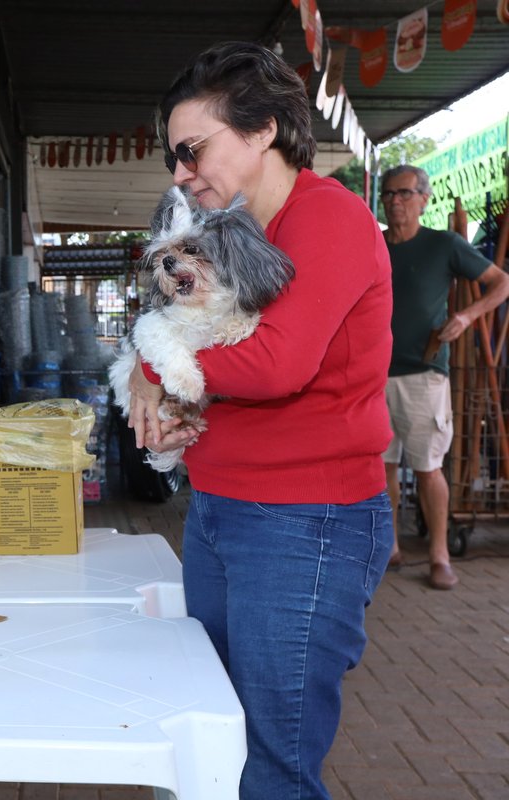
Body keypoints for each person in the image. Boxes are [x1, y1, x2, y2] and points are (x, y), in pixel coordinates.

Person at [124, 43, 393, 799]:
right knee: (222, 736)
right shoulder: (230, 228)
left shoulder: (329, 218)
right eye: (175, 156)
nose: (180, 171)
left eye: (192, 149)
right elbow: (199, 347)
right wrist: (167, 398)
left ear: (263, 129)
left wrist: (157, 370)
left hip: (307, 520)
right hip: (220, 509)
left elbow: (278, 364)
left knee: (274, 763)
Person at [380, 164, 509, 590]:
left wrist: (467, 316)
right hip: (375, 374)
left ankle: (439, 554)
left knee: (428, 467)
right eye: (388, 194)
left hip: (424, 372)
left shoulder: (444, 244)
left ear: (424, 199)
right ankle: (390, 548)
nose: (395, 201)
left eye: (404, 193)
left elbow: (501, 283)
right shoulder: (374, 246)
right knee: (382, 466)